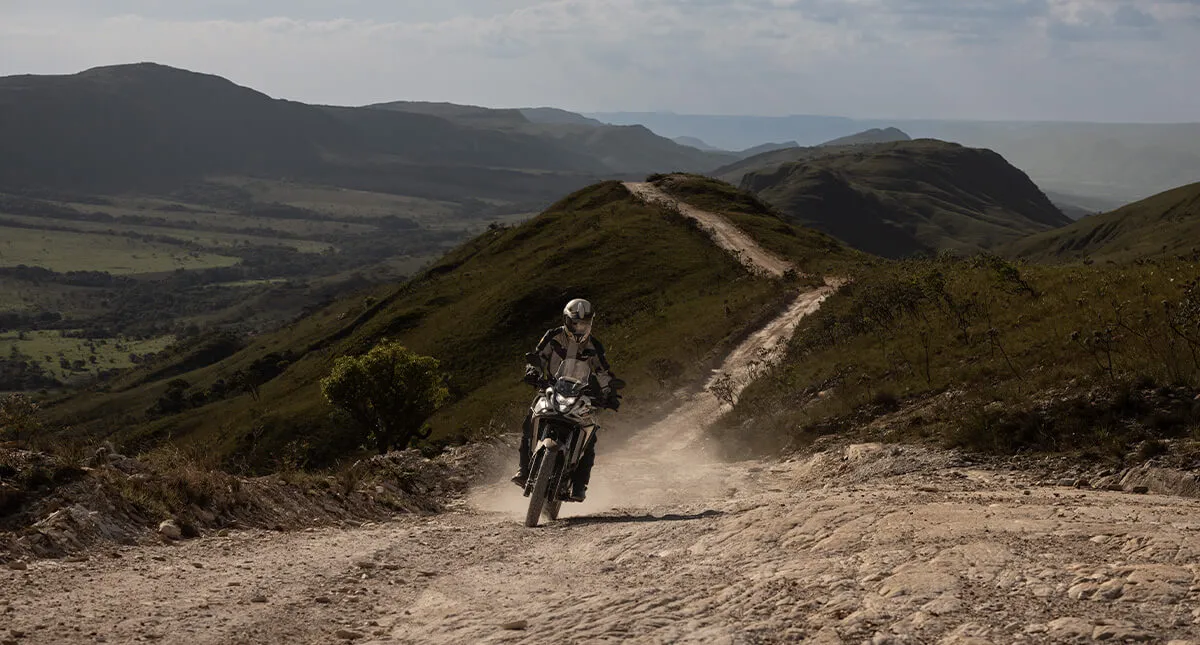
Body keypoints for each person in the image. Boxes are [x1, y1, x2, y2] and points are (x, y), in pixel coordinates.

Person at [512, 298, 620, 501]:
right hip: (551, 388)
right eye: (576, 323)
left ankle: (580, 485)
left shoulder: (594, 345)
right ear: (566, 320)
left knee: (591, 433)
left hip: (580, 394)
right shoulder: (553, 336)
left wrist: (609, 393)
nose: (580, 328)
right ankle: (523, 470)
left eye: (584, 324)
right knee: (530, 421)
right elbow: (538, 357)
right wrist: (532, 371)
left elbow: (602, 371)